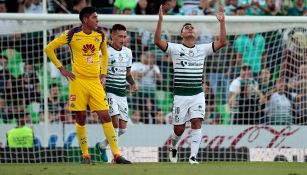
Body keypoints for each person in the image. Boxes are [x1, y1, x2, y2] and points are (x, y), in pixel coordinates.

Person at [44, 7, 131, 164]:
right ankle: (85, 155)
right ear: (85, 20)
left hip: (95, 82)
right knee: (81, 117)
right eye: (94, 17)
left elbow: (104, 53)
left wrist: (103, 74)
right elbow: (48, 48)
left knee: (105, 116)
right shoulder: (71, 34)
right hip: (78, 82)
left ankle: (116, 154)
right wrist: (61, 68)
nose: (97, 20)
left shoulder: (100, 35)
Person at [154, 0, 226, 164]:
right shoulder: (175, 48)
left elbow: (222, 42)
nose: (190, 29)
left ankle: (193, 157)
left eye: (192, 27)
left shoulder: (202, 49)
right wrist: (160, 21)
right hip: (180, 95)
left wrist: (222, 22)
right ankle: (174, 145)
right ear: (181, 34)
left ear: (195, 33)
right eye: (186, 27)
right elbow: (157, 42)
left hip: (197, 93)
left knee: (197, 122)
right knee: (178, 129)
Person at [95, 24, 138, 162]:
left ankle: (102, 145)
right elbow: (99, 73)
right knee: (115, 123)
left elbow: (127, 73)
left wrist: (132, 83)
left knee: (123, 129)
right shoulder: (105, 52)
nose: (123, 39)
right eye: (120, 36)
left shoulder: (128, 52)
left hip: (121, 93)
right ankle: (116, 156)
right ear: (112, 36)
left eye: (124, 36)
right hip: (110, 91)